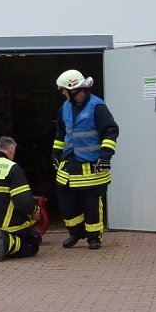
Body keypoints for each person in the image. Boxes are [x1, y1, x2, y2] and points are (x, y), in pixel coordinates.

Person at [52, 70, 119, 250]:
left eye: (64, 90)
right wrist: (56, 154)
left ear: (74, 89)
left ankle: (93, 237)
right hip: (69, 163)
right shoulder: (65, 107)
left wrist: (105, 156)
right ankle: (75, 232)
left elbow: (110, 132)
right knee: (66, 201)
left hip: (91, 166)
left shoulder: (98, 107)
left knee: (91, 203)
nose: (63, 93)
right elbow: (61, 133)